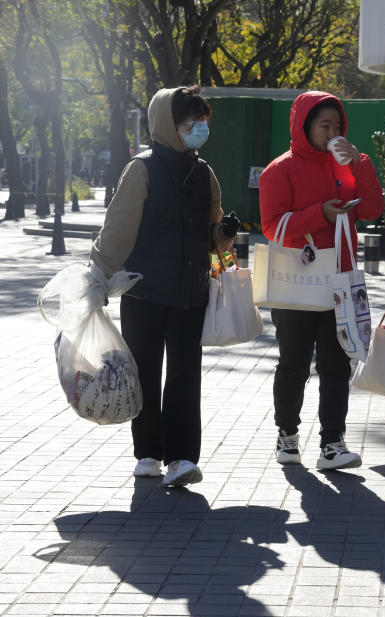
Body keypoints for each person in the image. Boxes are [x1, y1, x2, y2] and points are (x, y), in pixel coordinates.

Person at [90, 86, 239, 486]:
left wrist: (224, 233)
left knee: (185, 375)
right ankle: (149, 453)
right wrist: (98, 275)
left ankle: (183, 459)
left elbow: (213, 235)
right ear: (166, 125)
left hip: (192, 292)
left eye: (203, 121)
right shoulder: (142, 169)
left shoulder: (204, 172)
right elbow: (118, 229)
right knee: (145, 373)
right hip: (145, 293)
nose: (199, 129)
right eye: (191, 122)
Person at [259, 91, 384, 471]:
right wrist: (321, 214)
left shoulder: (347, 164)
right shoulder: (279, 170)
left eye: (337, 125)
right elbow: (273, 227)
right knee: (293, 363)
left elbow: (374, 208)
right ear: (304, 126)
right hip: (294, 280)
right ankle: (287, 436)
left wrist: (360, 163)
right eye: (324, 125)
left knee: (336, 363)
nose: (332, 132)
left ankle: (333, 442)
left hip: (339, 278)